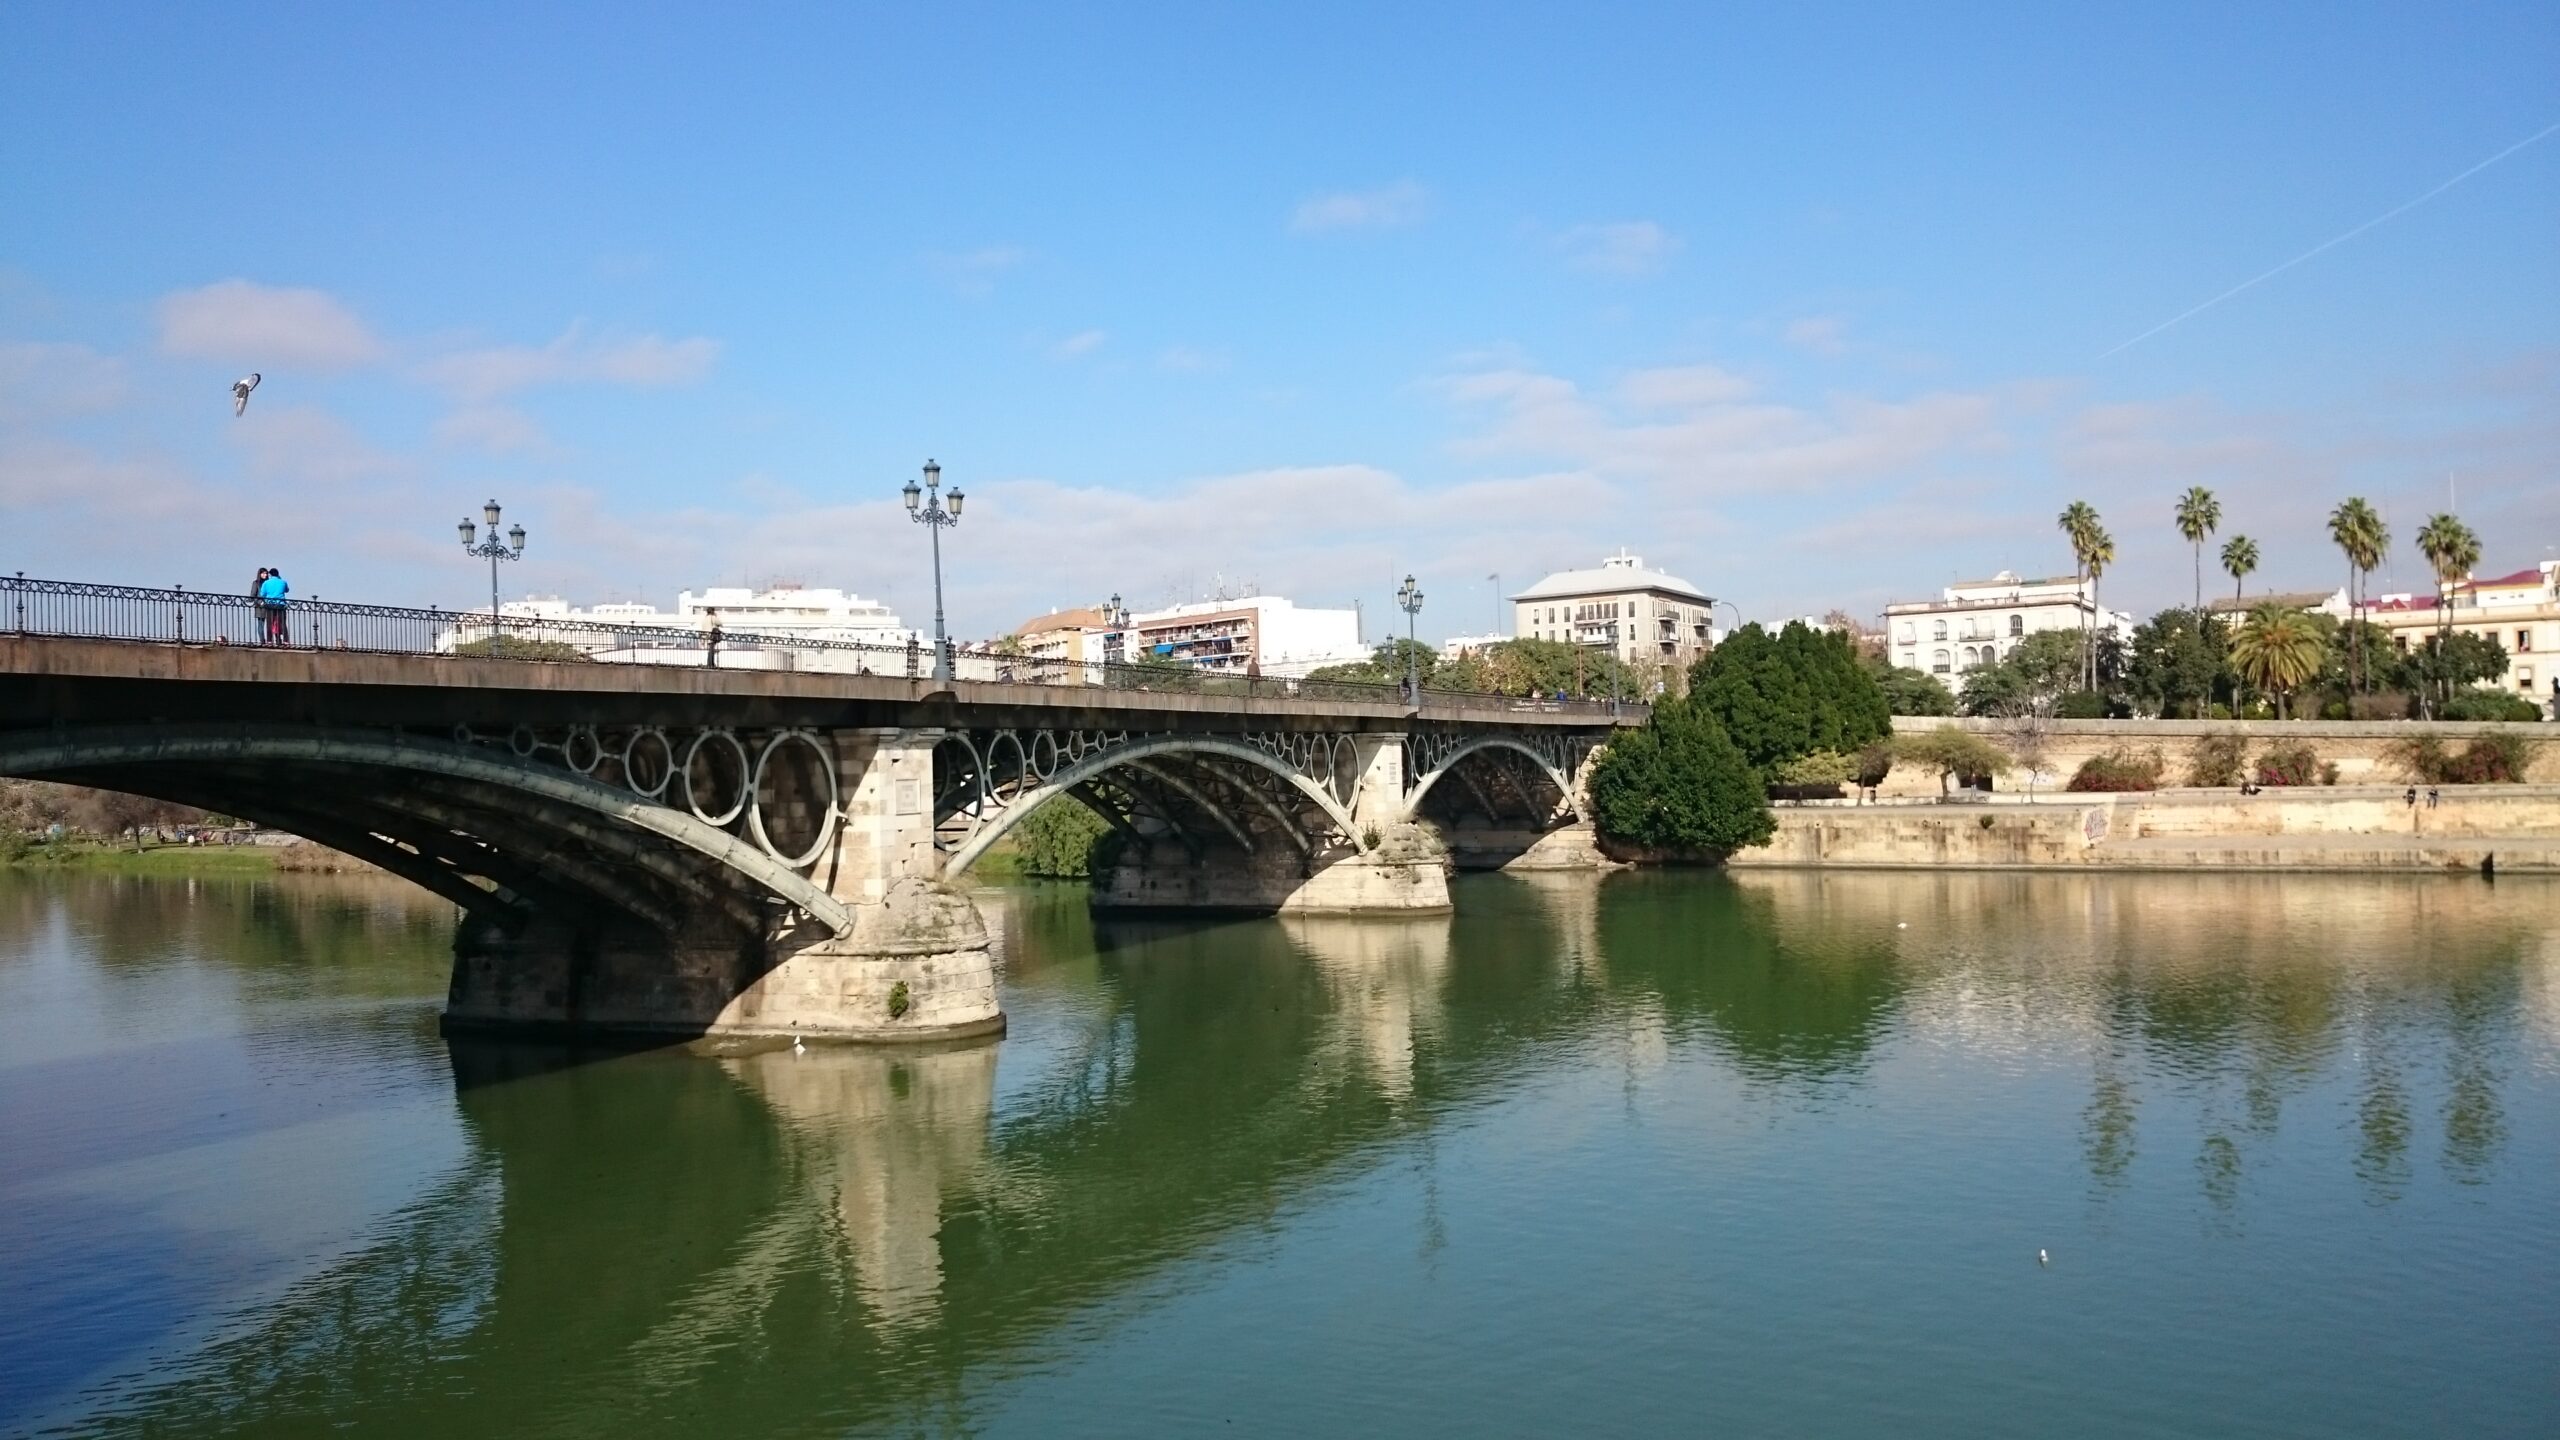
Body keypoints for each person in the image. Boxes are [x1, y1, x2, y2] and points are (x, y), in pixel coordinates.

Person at [256, 567, 289, 645]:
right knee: (282, 623)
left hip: (270, 604)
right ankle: (285, 640)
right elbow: (287, 590)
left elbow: (262, 594)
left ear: (270, 574)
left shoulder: (266, 583)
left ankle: (269, 640)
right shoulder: (283, 582)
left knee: (269, 623)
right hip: (281, 604)